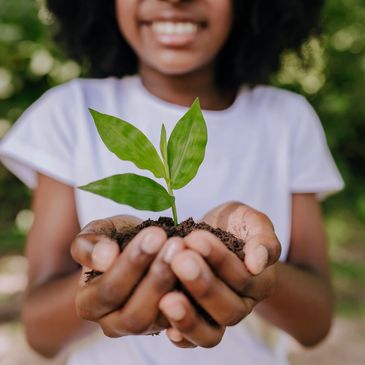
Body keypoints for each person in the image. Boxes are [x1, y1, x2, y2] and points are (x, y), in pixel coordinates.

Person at [0, 0, 344, 364]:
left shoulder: (287, 120)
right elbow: (39, 330)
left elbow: (315, 322)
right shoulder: (68, 114)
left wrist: (253, 271)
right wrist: (110, 277)